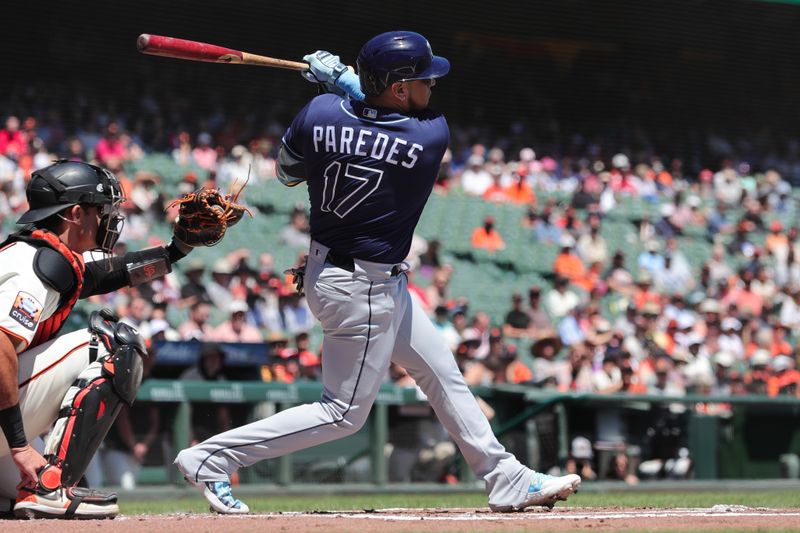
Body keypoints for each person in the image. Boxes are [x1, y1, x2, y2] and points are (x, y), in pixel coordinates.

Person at [175, 30, 580, 515]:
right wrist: (346, 83)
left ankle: (504, 476)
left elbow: (287, 172)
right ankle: (210, 458)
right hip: (361, 287)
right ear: (398, 88)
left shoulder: (320, 112)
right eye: (423, 79)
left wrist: (338, 92)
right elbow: (381, 120)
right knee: (342, 414)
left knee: (440, 374)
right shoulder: (428, 133)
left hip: (346, 274)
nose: (433, 86)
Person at [0, 160, 203, 519]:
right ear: (76, 213)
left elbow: (103, 276)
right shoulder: (34, 263)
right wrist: (19, 444)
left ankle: (33, 489)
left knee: (10, 500)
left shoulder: (43, 256)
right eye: (101, 209)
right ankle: (49, 487)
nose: (109, 217)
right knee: (113, 343)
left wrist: (174, 251)